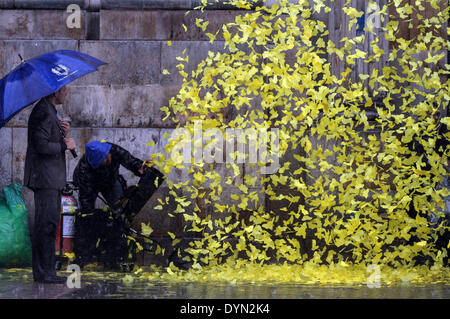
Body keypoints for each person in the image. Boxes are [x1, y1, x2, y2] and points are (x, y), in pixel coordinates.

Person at [72, 140, 165, 271]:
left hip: (110, 181)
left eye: (103, 161)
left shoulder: (114, 150)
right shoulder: (84, 170)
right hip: (90, 183)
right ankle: (88, 253)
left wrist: (141, 167)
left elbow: (129, 160)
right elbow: (86, 198)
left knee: (120, 213)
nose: (102, 164)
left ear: (107, 155)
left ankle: (117, 250)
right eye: (98, 164)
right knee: (88, 217)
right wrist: (90, 219)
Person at [24, 86, 76, 284]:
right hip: (44, 179)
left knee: (50, 224)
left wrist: (62, 132)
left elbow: (49, 139)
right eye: (64, 90)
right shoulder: (43, 112)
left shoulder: (50, 111)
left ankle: (47, 272)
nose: (67, 93)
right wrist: (65, 145)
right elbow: (42, 146)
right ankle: (44, 273)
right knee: (45, 225)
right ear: (55, 92)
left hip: (51, 178)